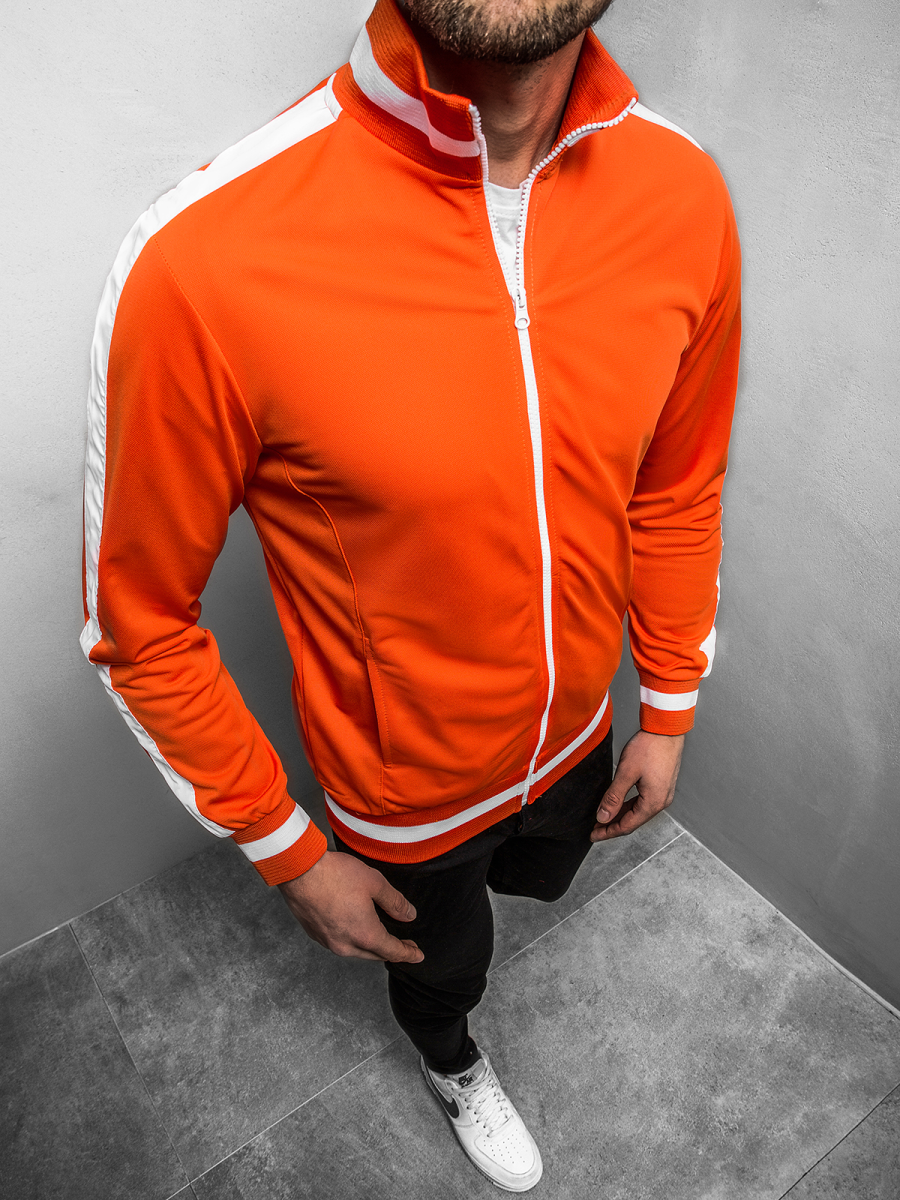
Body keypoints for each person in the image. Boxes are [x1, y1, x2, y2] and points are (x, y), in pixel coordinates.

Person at [81, 0, 740, 1190]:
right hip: (404, 794)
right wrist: (289, 850)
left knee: (533, 883)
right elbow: (141, 625)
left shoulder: (682, 193)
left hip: (579, 733)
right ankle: (449, 1058)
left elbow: (676, 485)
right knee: (443, 967)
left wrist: (669, 703)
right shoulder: (206, 260)